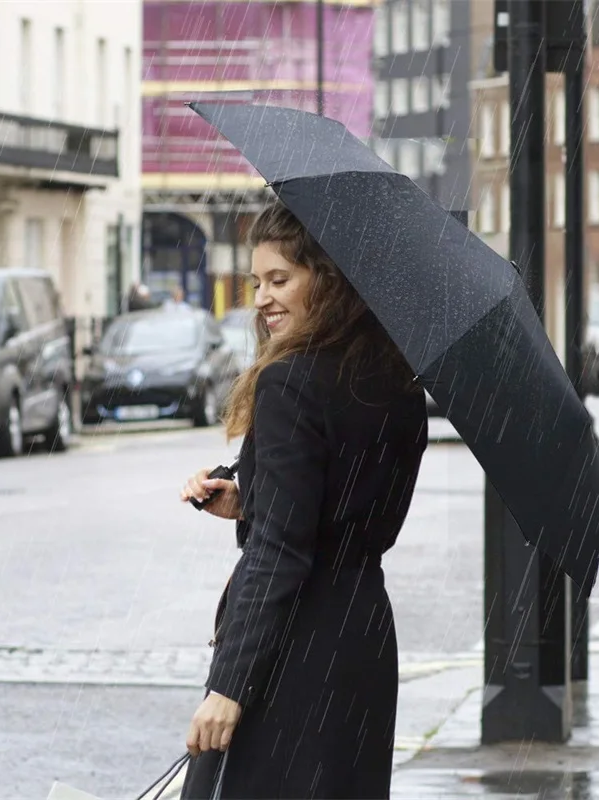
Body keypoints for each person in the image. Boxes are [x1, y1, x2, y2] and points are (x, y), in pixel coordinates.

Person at [178, 201, 428, 798]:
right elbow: (342, 506)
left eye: (281, 279)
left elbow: (283, 551)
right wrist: (246, 498)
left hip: (295, 646)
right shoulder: (397, 383)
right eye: (257, 281)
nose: (262, 298)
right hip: (361, 633)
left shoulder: (290, 382)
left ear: (330, 279)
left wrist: (229, 687)